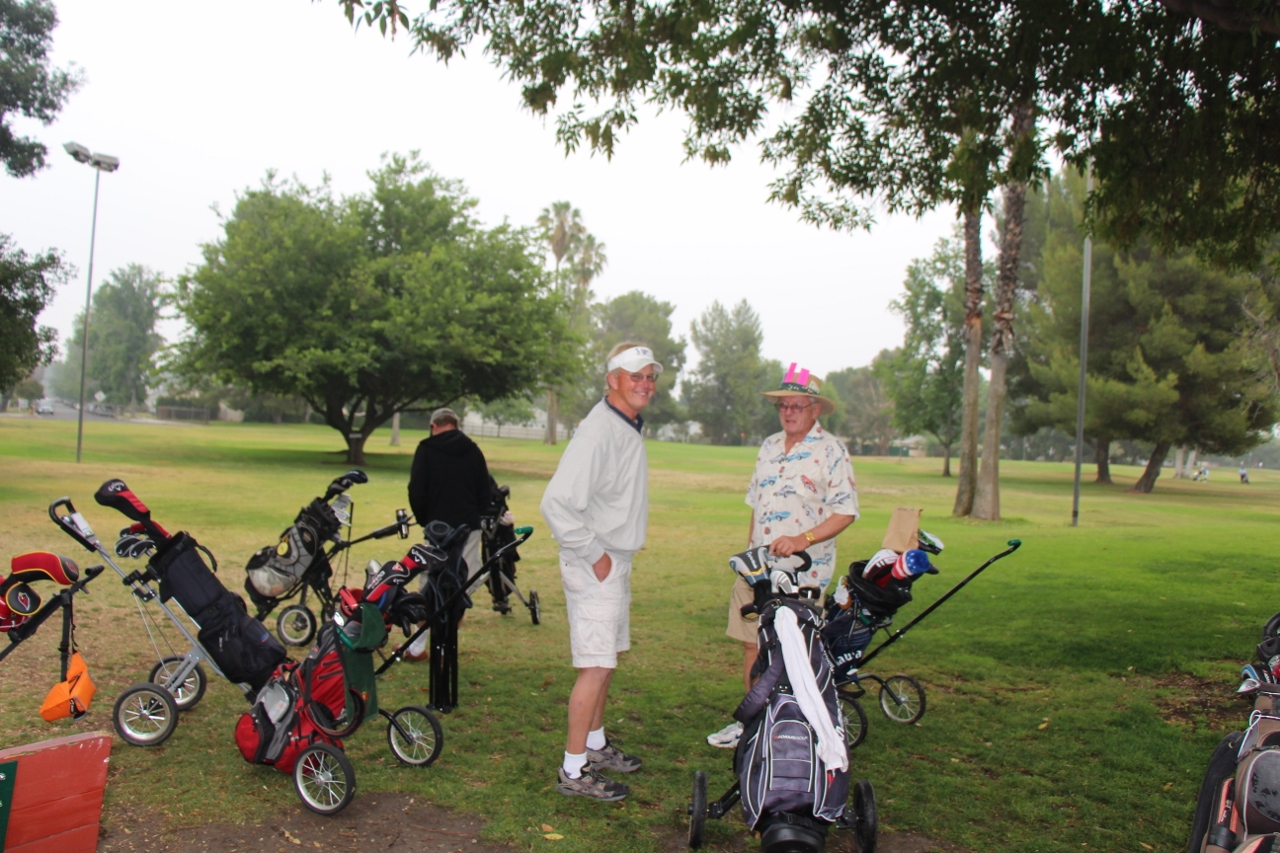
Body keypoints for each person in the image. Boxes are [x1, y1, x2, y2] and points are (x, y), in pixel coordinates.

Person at [706, 363, 858, 750]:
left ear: (815, 409)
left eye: (797, 405)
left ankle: (796, 730)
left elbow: (845, 513)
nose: (789, 412)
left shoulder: (832, 451)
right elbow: (756, 507)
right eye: (783, 406)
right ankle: (753, 725)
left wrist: (803, 538)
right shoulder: (769, 447)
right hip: (756, 571)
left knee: (795, 652)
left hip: (802, 578)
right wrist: (749, 553)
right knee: (751, 646)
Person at [540, 342, 662, 801]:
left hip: (613, 560)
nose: (645, 383)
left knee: (606, 661)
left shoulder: (625, 424)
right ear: (612, 379)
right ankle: (573, 770)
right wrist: (596, 556)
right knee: (594, 667)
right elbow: (556, 504)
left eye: (650, 376)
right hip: (596, 562)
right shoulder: (598, 432)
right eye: (635, 375)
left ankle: (594, 744)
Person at [405, 407, 492, 658]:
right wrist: (475, 515)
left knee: (431, 584)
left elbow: (416, 491)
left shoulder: (426, 449)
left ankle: (417, 646)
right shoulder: (473, 450)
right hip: (467, 526)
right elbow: (484, 491)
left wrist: (425, 520)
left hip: (437, 528)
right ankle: (447, 646)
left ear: (434, 426)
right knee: (460, 583)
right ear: (456, 424)